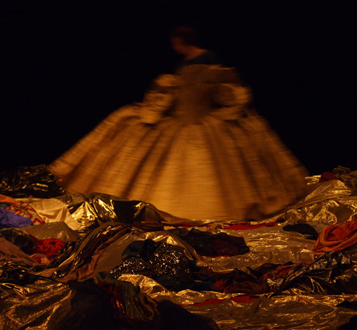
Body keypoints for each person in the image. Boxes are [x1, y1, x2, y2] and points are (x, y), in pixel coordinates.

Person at [48, 26, 309, 221]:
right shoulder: (182, 64)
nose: (174, 48)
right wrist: (150, 107)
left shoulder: (208, 60)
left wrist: (225, 109)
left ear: (183, 42)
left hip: (204, 123)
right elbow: (174, 96)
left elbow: (222, 90)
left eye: (175, 43)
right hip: (183, 120)